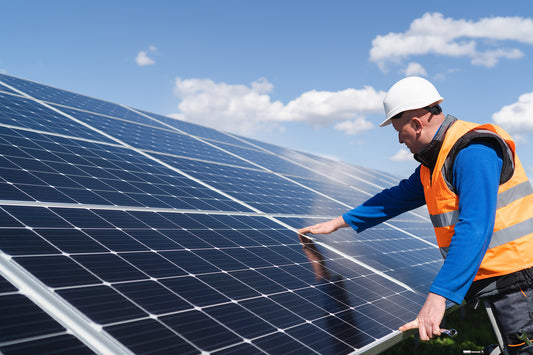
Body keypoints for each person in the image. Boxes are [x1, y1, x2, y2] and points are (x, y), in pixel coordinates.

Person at [298, 77, 533, 354]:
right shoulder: (434, 163)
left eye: (400, 131)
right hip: (497, 281)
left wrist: (439, 296)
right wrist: (341, 221)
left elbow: (475, 227)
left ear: (417, 124)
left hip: (518, 283)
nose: (399, 139)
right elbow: (397, 197)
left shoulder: (473, 152)